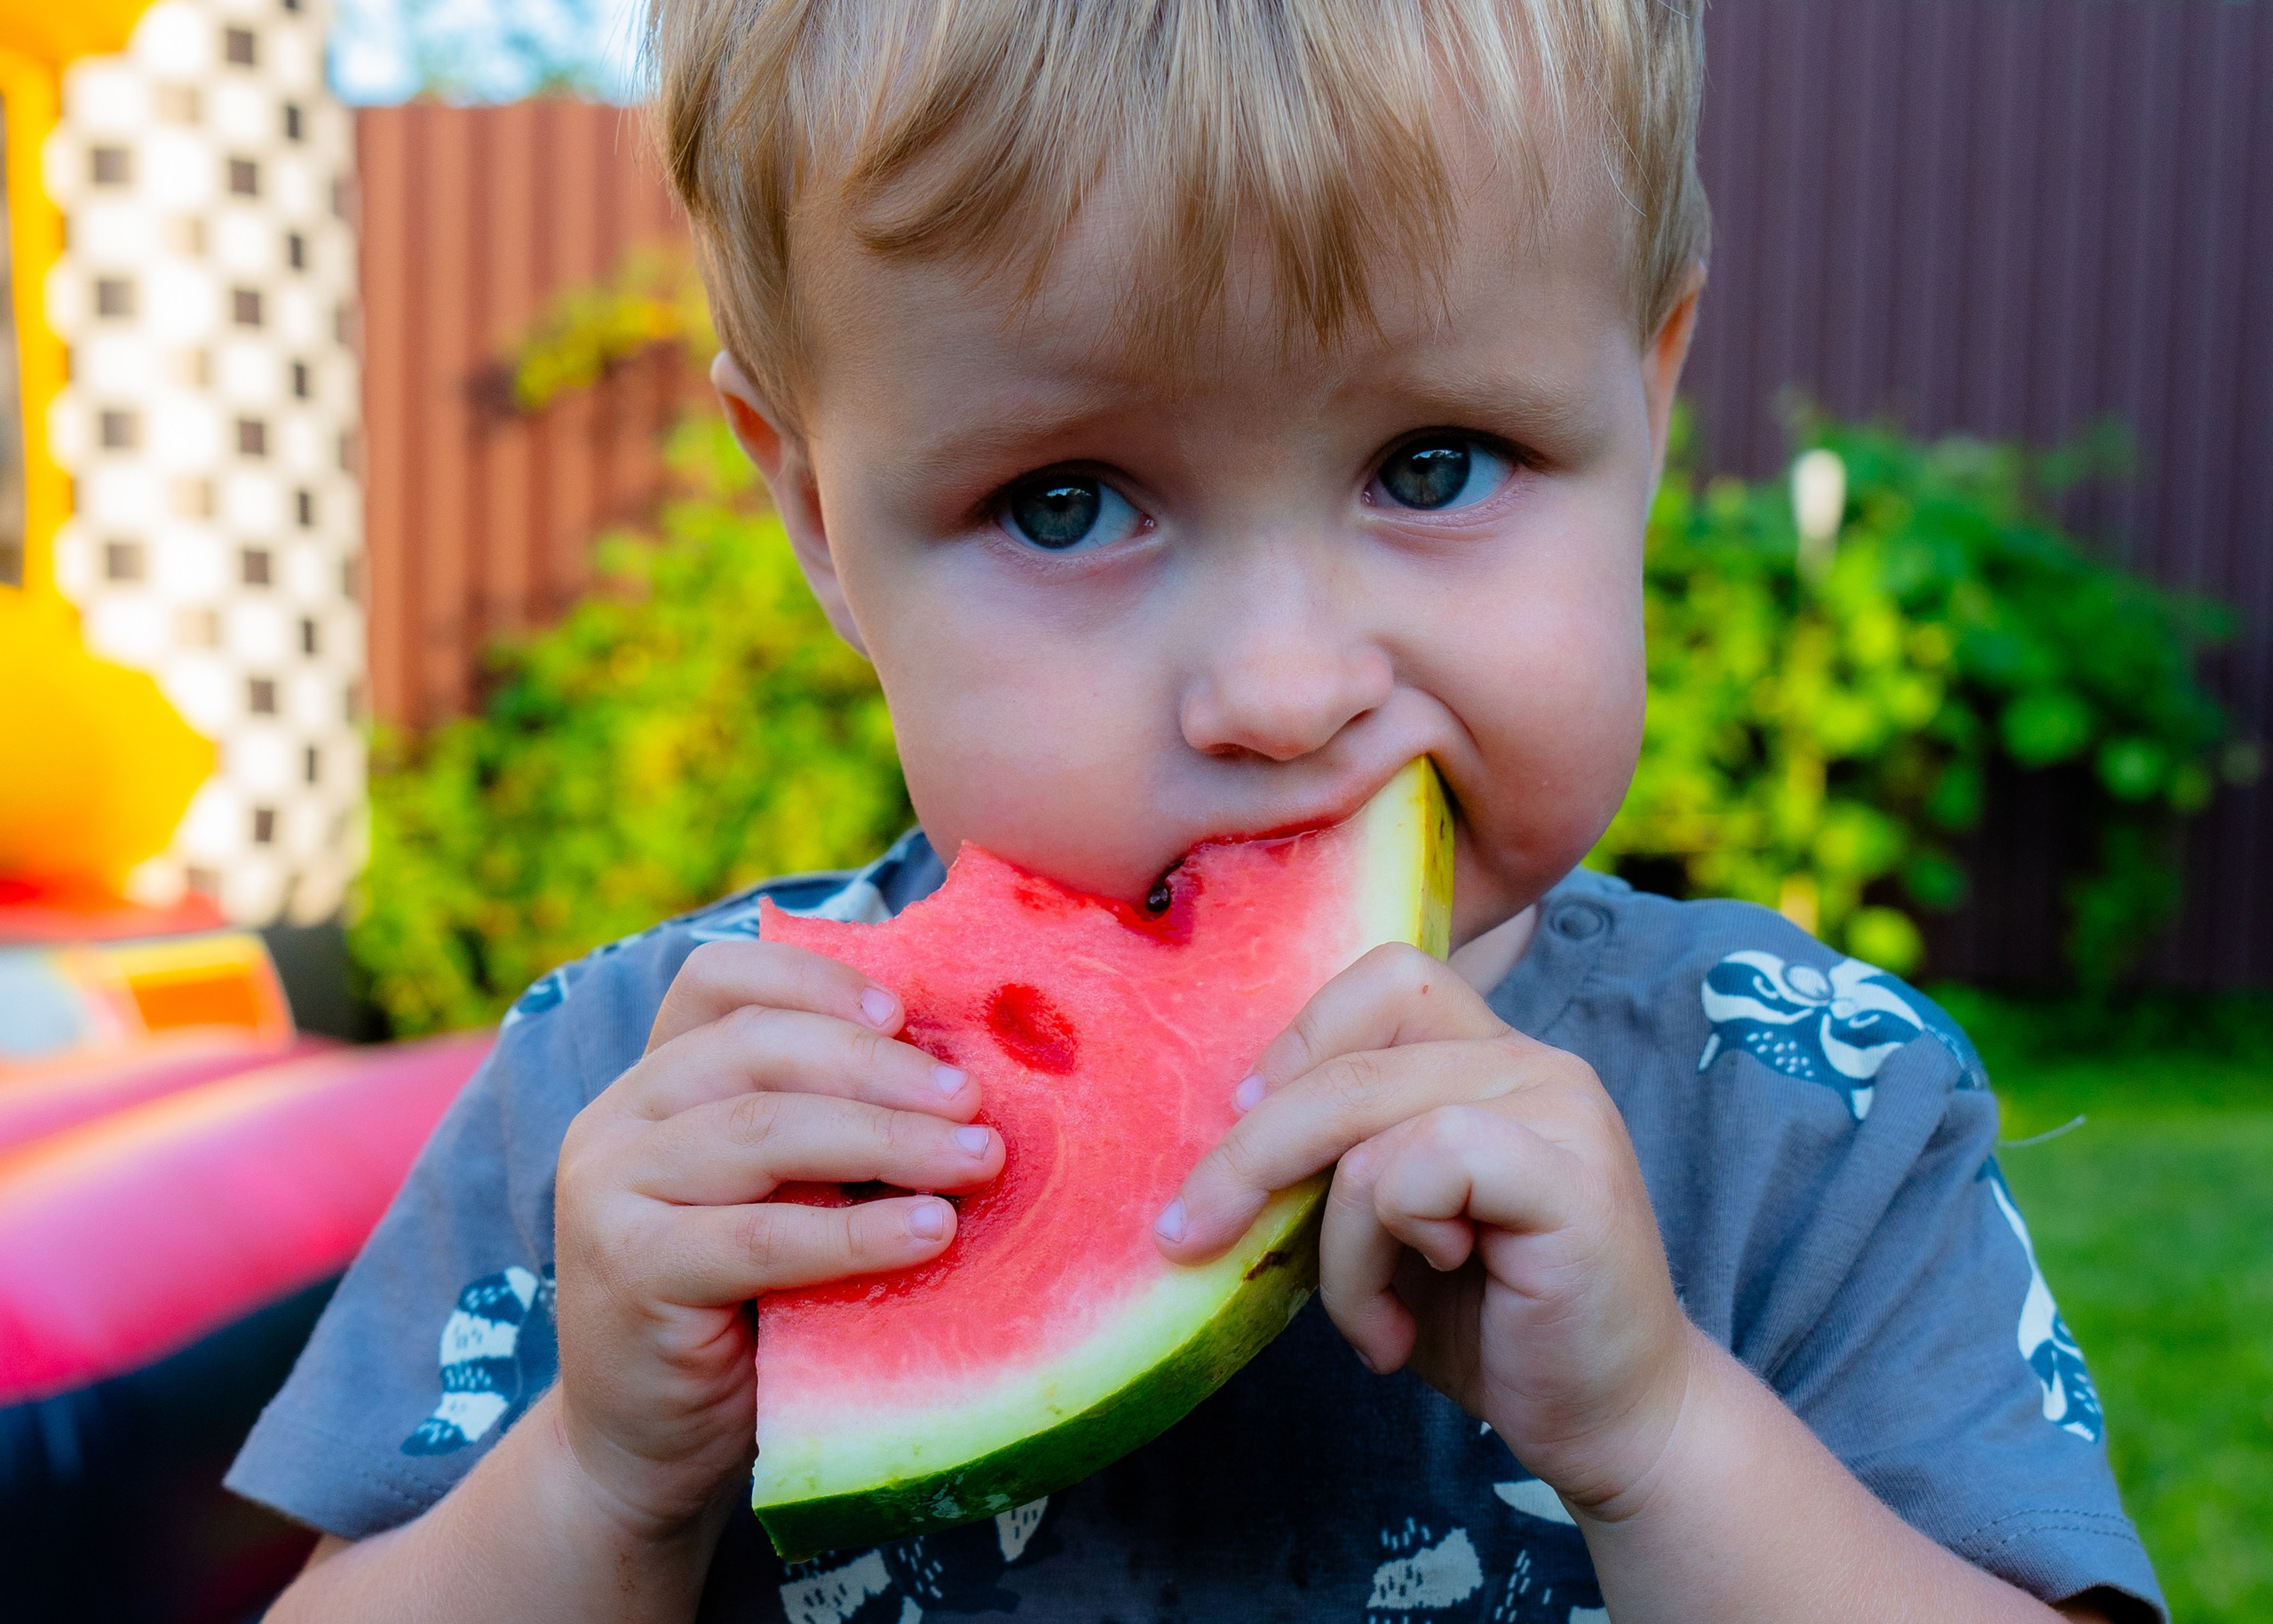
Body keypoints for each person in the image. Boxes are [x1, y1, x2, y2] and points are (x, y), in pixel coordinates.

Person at [233, 3, 2164, 1620]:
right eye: (1066, 501)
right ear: (818, 515)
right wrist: (598, 1473)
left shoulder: (1809, 1107)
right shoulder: (644, 1107)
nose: (1283, 689)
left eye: (1435, 462)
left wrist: (1659, 1435)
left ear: (1646, 410)